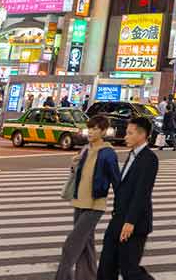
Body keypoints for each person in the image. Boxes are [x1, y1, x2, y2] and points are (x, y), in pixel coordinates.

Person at [56, 114, 121, 280]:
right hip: (79, 202)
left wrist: (121, 208)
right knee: (86, 246)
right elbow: (78, 175)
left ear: (103, 131)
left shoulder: (108, 153)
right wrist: (74, 165)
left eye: (95, 129)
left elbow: (117, 181)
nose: (90, 132)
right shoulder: (85, 149)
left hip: (95, 205)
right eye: (89, 128)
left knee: (71, 246)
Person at [98, 116, 158, 280]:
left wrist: (130, 222)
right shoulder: (132, 155)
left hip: (134, 224)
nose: (125, 136)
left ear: (142, 135)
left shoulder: (149, 159)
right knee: (106, 266)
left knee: (130, 271)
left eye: (129, 133)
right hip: (118, 219)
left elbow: (142, 193)